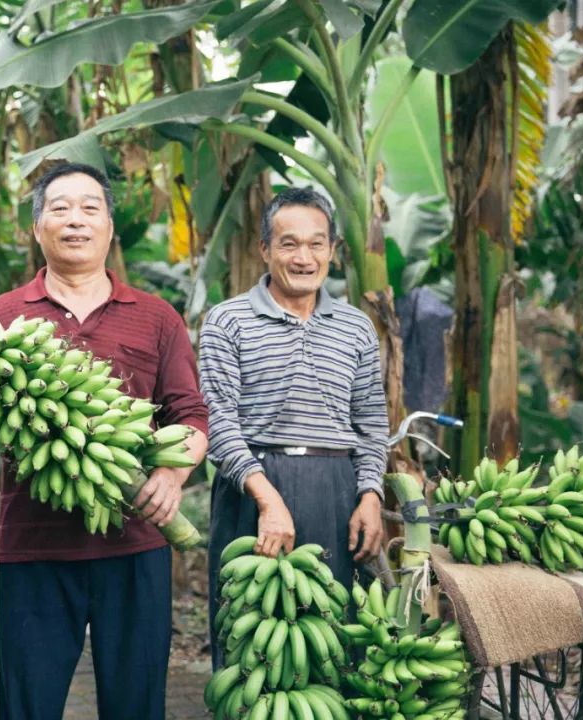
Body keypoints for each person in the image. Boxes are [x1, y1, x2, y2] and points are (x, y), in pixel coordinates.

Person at [0, 163, 209, 720]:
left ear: (110, 227)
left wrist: (171, 474)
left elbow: (190, 414)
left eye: (90, 208)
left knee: (135, 706)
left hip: (135, 545)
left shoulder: (158, 318)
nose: (75, 221)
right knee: (28, 706)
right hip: (35, 548)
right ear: (37, 227)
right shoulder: (3, 317)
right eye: (59, 208)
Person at [198, 187, 388, 668]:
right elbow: (217, 419)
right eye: (289, 244)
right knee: (249, 641)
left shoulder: (357, 327)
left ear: (332, 251)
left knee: (329, 640)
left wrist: (370, 495)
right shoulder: (227, 321)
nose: (304, 257)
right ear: (264, 249)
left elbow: (369, 420)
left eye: (316, 244)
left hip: (335, 491)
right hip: (252, 489)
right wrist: (268, 499)